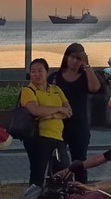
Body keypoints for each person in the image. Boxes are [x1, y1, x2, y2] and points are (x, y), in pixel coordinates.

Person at [20, 57, 72, 188]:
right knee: (38, 175)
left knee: (63, 174)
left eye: (40, 71)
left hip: (58, 138)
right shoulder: (28, 91)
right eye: (33, 71)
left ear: (47, 72)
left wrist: (49, 115)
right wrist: (59, 109)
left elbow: (69, 111)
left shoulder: (56, 89)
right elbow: (36, 110)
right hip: (38, 138)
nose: (36, 74)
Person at [54, 43, 102, 182]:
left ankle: (81, 193)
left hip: (79, 127)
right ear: (66, 58)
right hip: (58, 127)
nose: (75, 61)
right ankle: (60, 192)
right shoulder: (56, 77)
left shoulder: (84, 76)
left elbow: (95, 88)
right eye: (72, 57)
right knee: (59, 163)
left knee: (80, 163)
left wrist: (87, 66)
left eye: (79, 59)